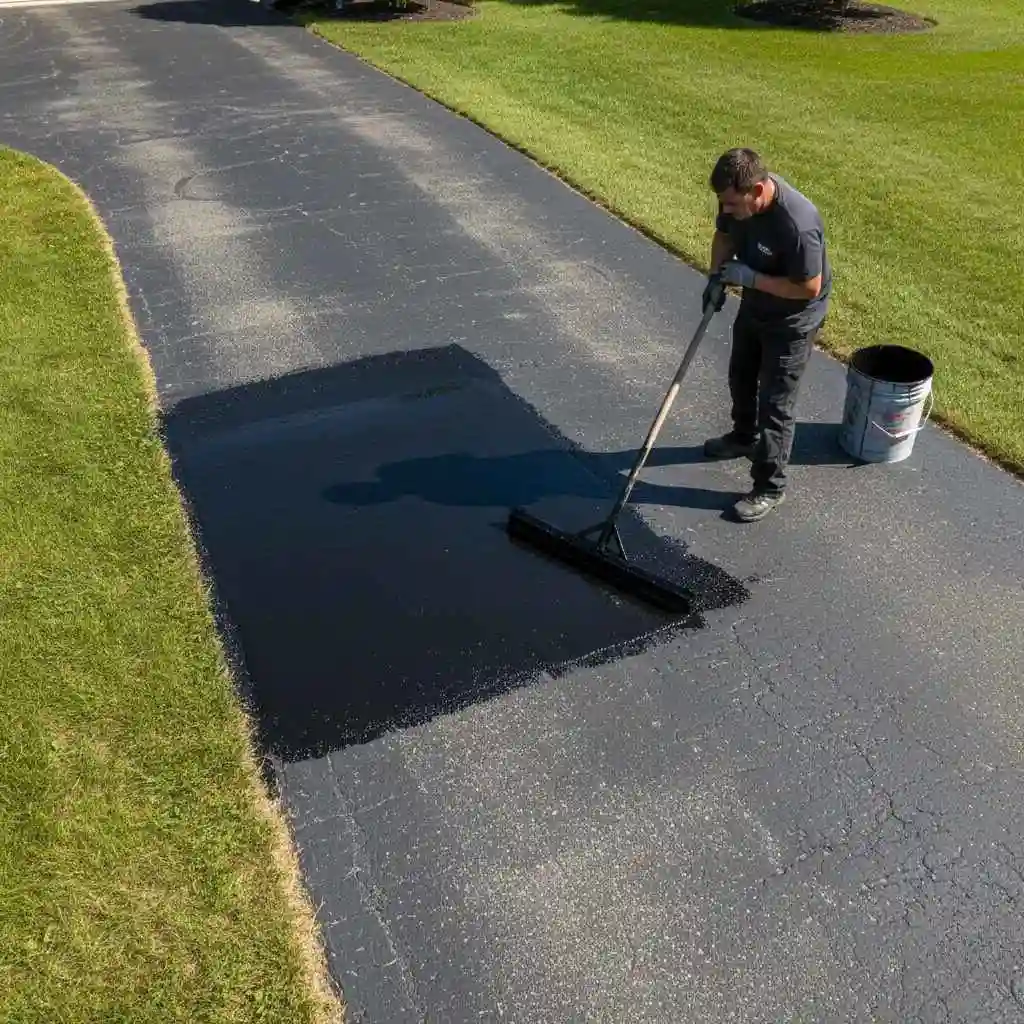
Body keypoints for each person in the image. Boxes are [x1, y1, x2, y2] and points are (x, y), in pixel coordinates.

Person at [701, 148, 832, 522]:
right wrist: (715, 277)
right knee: (740, 376)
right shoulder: (734, 205)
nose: (724, 209)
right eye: (721, 203)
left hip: (793, 320)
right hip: (757, 304)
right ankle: (743, 437)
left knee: (776, 404)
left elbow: (809, 287)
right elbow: (724, 236)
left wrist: (751, 279)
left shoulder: (797, 223)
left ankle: (769, 487)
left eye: (730, 203)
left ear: (757, 191)